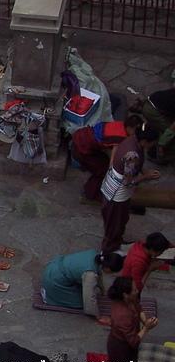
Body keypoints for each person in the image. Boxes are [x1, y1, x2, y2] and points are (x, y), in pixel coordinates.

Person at [99, 124, 160, 254]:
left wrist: (144, 171)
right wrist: (146, 177)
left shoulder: (132, 139)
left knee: (120, 221)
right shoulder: (132, 155)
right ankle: (108, 252)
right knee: (114, 226)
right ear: (144, 141)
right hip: (117, 194)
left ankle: (116, 242)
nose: (152, 146)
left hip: (112, 186)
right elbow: (128, 183)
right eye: (152, 143)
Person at [105, 276, 157, 362]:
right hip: (120, 347)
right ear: (125, 294)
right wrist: (146, 328)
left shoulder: (130, 299)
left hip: (127, 343)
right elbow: (134, 341)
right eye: (134, 290)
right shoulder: (122, 315)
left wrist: (145, 321)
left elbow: (139, 308)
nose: (137, 291)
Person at [40, 250, 124, 320]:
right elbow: (89, 298)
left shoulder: (94, 253)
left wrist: (102, 290)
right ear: (108, 268)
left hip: (53, 268)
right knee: (80, 302)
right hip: (54, 281)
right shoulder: (90, 274)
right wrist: (98, 316)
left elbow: (98, 277)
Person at [72, 116, 139, 202]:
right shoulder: (120, 138)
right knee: (101, 170)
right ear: (129, 128)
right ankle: (89, 194)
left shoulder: (120, 124)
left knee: (102, 164)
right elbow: (112, 161)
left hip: (82, 136)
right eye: (135, 131)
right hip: (83, 147)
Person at [138, 87, 175, 166]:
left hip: (152, 102)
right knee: (171, 136)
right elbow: (172, 129)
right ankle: (160, 155)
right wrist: (162, 143)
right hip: (152, 111)